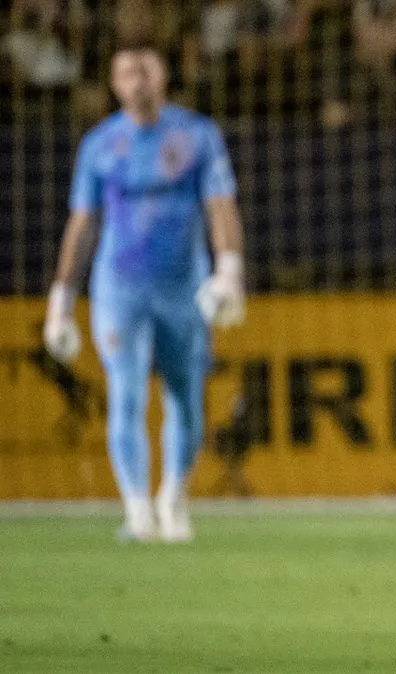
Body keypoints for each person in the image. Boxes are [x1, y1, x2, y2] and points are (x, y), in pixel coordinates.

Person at [43, 43, 246, 542]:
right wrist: (60, 302)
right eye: (128, 73)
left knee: (186, 398)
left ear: (163, 76)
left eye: (146, 71)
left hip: (183, 288)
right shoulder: (99, 145)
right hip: (120, 289)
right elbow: (83, 224)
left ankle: (173, 498)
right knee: (125, 393)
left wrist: (229, 271)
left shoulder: (197, 136)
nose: (138, 81)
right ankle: (137, 508)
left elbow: (220, 206)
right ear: (115, 84)